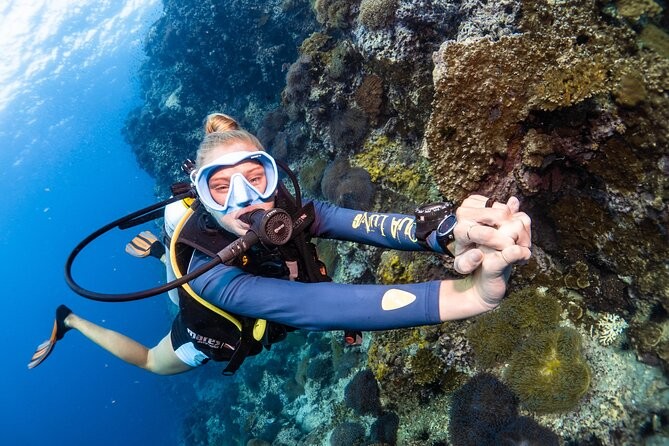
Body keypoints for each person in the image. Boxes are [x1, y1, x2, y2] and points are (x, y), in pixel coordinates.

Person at [29, 113, 531, 376]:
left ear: (276, 176)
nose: (247, 200)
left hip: (240, 279)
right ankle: (71, 317)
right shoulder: (216, 277)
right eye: (222, 188)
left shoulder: (290, 212)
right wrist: (473, 297)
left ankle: (164, 250)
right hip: (206, 309)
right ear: (202, 199)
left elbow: (372, 224)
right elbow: (313, 305)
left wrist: (448, 232)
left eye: (256, 177)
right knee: (153, 361)